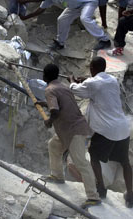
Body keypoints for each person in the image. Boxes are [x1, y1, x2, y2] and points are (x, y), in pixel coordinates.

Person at [69, 57, 133, 208]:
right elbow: (95, 84)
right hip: (123, 128)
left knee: (94, 155)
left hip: (106, 130)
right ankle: (130, 194)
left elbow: (77, 91)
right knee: (125, 162)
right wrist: (85, 80)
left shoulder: (92, 84)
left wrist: (72, 80)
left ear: (92, 68)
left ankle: (101, 187)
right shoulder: (112, 80)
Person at [36, 63, 101, 208]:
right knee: (53, 146)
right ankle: (58, 175)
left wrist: (49, 121)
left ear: (44, 76)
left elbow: (55, 111)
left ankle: (93, 196)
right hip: (69, 130)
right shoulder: (63, 87)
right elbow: (61, 106)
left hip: (73, 131)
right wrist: (45, 104)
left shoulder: (49, 90)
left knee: (81, 163)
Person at [20, 0, 111, 50]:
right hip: (74, 7)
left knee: (84, 18)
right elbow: (40, 10)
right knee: (62, 19)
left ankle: (104, 40)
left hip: (88, 2)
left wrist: (25, 1)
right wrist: (25, 17)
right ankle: (60, 43)